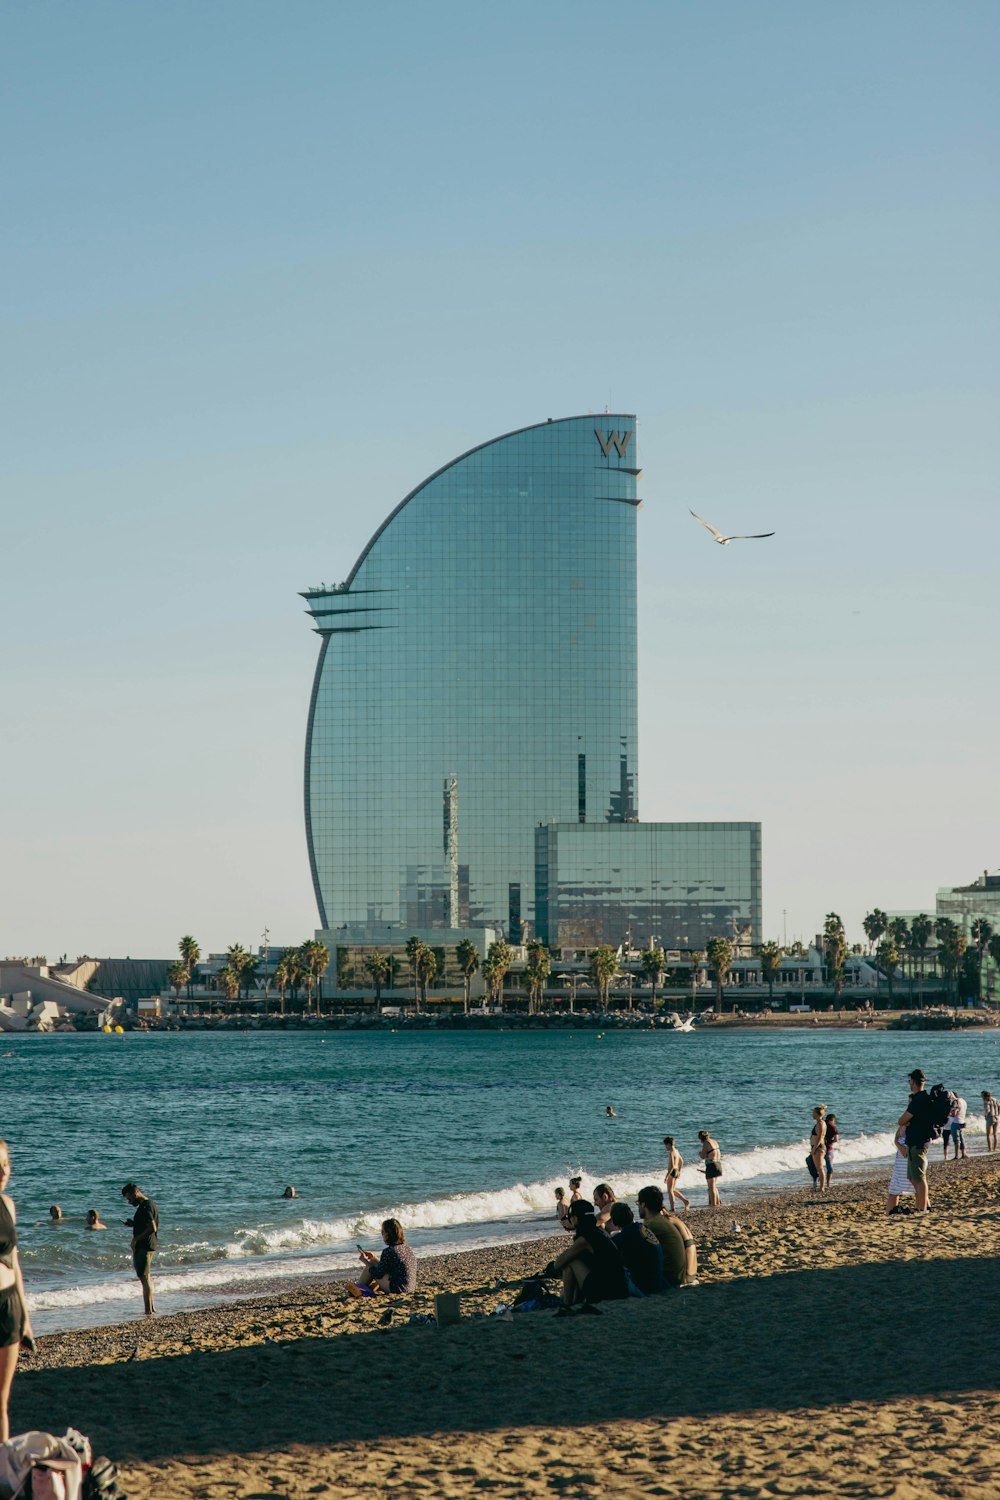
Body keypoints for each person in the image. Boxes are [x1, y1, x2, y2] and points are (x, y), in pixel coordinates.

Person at [0, 1139, 35, 1443]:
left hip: (9, 1303)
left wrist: (25, 1317)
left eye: (6, 1164)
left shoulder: (8, 1205)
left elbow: (15, 1262)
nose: (2, 1171)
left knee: (2, 1399)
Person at [542, 1199, 627, 1312]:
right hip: (619, 1287)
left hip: (607, 1292)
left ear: (576, 1218)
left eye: (570, 1216)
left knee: (570, 1262)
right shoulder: (599, 1233)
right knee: (573, 1262)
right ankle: (570, 1302)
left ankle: (567, 1303)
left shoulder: (585, 1239)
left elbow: (558, 1264)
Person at [636, 1185, 692, 1287]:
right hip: (678, 1275)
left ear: (643, 1205)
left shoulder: (651, 1225)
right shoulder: (662, 1220)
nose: (638, 1207)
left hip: (669, 1279)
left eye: (638, 1204)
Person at [348, 1218, 416, 1297]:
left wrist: (365, 1261)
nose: (381, 1234)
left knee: (371, 1266)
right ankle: (362, 1287)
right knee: (373, 1262)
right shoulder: (408, 1248)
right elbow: (387, 1267)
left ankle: (356, 1290)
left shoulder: (389, 1251)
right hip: (410, 1287)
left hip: (398, 1289)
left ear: (388, 1234)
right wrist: (373, 1257)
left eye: (383, 1231)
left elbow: (378, 1274)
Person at [608, 1201, 664, 1294]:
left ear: (614, 1222)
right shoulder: (643, 1228)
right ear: (632, 1216)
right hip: (659, 1282)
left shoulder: (622, 1238)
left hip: (644, 1288)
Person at [898, 1069, 934, 1214]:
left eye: (909, 1081)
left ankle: (922, 1208)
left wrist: (906, 1123)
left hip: (918, 1143)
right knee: (914, 1178)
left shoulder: (918, 1099)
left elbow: (902, 1120)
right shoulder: (925, 1098)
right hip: (918, 1141)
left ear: (913, 1082)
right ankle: (920, 1207)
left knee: (919, 1179)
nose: (909, 1084)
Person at [122, 1182, 159, 1316]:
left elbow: (152, 1228)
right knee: (146, 1277)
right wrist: (134, 1224)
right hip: (149, 1244)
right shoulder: (149, 1204)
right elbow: (146, 1224)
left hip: (144, 1245)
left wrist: (135, 1239)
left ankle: (148, 1310)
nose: (129, 1202)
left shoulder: (146, 1206)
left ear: (135, 1193)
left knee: (143, 1277)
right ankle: (151, 1308)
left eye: (130, 1199)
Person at [887, 1126, 914, 1214]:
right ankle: (889, 1213)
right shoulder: (904, 1126)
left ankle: (924, 1210)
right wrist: (897, 1142)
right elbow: (897, 1136)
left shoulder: (912, 1127)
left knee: (917, 1187)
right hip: (901, 1162)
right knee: (894, 1190)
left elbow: (905, 1151)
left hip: (907, 1161)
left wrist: (898, 1143)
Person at [662, 1136, 691, 1213]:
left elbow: (671, 1166)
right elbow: (681, 1162)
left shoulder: (671, 1152)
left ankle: (672, 1208)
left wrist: (666, 1176)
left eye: (665, 1145)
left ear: (668, 1144)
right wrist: (679, 1171)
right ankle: (685, 1201)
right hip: (676, 1170)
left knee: (670, 1191)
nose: (665, 1147)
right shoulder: (676, 1151)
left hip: (672, 1172)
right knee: (673, 1190)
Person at [698, 1130, 723, 1207]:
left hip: (711, 1165)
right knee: (714, 1186)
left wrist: (699, 1153)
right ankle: (717, 1203)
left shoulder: (706, 1143)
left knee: (711, 1187)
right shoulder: (714, 1141)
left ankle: (713, 1205)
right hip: (718, 1164)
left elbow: (703, 1156)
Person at [943, 1095, 968, 1161]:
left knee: (956, 1140)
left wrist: (948, 1114)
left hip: (956, 1122)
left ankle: (956, 1155)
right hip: (962, 1121)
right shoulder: (963, 1101)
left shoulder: (956, 1101)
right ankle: (964, 1154)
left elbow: (954, 1114)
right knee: (962, 1138)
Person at [809, 1106, 828, 1192]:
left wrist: (814, 1149)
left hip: (818, 1147)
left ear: (817, 1114)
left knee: (820, 1168)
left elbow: (820, 1138)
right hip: (817, 1147)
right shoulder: (820, 1123)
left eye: (813, 1113)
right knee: (818, 1168)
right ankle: (819, 1186)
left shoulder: (820, 1123)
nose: (812, 1114)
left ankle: (822, 1187)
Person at [825, 1113, 839, 1183]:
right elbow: (836, 1140)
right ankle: (828, 1184)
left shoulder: (822, 1124)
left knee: (818, 1167)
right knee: (829, 1169)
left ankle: (817, 1182)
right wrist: (830, 1141)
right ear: (833, 1119)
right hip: (828, 1148)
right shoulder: (833, 1127)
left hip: (819, 1147)